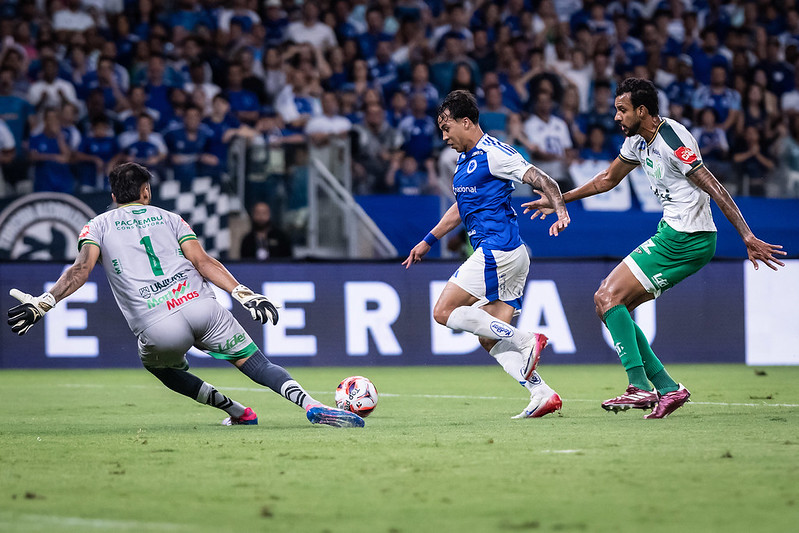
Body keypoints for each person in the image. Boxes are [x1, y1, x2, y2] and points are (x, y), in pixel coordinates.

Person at [7, 162, 363, 429]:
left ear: (113, 197)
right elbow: (203, 261)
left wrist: (44, 303)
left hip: (157, 324)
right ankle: (310, 404)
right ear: (146, 192)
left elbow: (80, 270)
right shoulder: (170, 218)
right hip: (200, 306)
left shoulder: (97, 225)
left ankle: (238, 412)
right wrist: (244, 293)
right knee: (256, 363)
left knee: (161, 367)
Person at [523, 78, 787, 419]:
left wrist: (746, 236)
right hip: (676, 234)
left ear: (642, 110)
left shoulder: (673, 139)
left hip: (687, 237)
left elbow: (714, 186)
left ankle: (638, 386)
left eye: (622, 110)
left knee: (606, 296)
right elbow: (607, 180)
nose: (616, 117)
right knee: (610, 306)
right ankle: (667, 387)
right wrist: (559, 199)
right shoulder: (637, 141)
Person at [403, 90, 570, 419]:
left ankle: (526, 339)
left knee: (443, 311)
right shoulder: (465, 160)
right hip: (510, 254)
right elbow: (460, 208)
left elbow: (541, 178)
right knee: (489, 337)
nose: (444, 137)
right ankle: (541, 393)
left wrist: (561, 210)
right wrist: (428, 240)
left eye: (447, 128)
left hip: (499, 250)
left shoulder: (494, 153)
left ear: (466, 122)